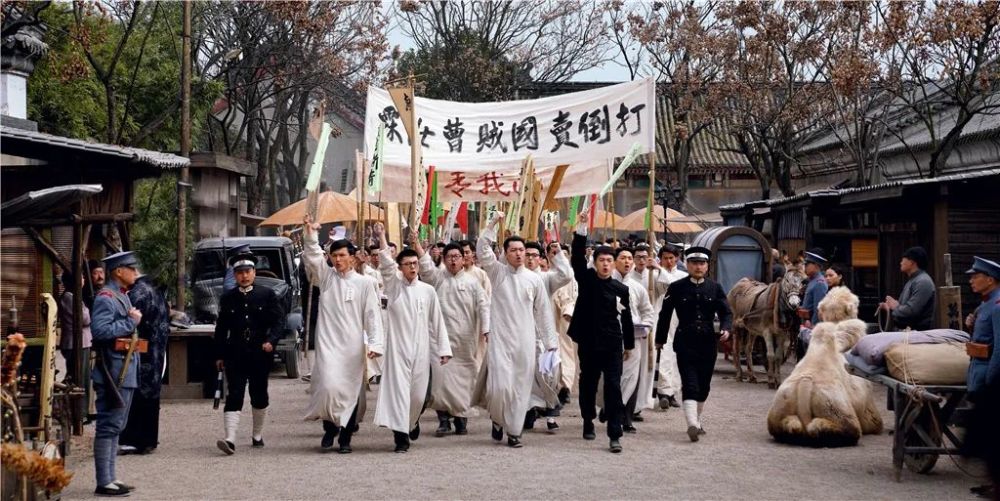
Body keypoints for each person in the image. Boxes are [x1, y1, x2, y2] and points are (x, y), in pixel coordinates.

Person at [474, 212, 557, 448]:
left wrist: (550, 342)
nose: (519, 254)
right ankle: (498, 419)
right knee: (500, 388)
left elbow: (543, 313)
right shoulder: (498, 273)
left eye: (522, 250)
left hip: (526, 341)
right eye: (514, 250)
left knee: (521, 389)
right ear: (505, 253)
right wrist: (492, 224)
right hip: (500, 341)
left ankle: (514, 432)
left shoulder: (534, 280)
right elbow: (482, 250)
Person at [301, 217, 384, 453]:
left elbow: (372, 316)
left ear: (352, 257)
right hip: (328, 345)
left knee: (351, 391)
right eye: (334, 256)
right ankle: (329, 428)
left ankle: (345, 437)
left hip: (353, 347)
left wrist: (376, 344)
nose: (337, 260)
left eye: (342, 256)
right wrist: (311, 235)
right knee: (328, 386)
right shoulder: (326, 279)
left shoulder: (365, 283)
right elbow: (313, 257)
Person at [371, 224, 452, 452]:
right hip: (397, 352)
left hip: (421, 350)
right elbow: (386, 264)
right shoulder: (394, 286)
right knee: (399, 394)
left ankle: (412, 421)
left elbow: (437, 321)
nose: (412, 267)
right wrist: (382, 237)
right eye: (407, 264)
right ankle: (401, 437)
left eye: (415, 263)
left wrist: (443, 349)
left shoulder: (428, 291)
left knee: (417, 396)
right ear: (400, 268)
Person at [568, 214, 634, 453]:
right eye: (602, 260)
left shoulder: (621, 289)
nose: (606, 264)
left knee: (614, 387)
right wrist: (582, 229)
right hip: (588, 341)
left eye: (609, 260)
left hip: (613, 344)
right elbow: (576, 258)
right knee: (588, 382)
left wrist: (629, 345)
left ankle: (614, 434)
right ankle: (588, 419)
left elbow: (626, 318)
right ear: (595, 262)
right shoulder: (586, 280)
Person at [656, 246, 732, 443]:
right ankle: (691, 424)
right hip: (685, 342)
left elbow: (726, 312)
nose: (698, 266)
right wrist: (660, 339)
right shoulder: (676, 287)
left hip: (708, 343)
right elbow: (664, 315)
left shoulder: (715, 288)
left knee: (704, 386)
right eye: (694, 263)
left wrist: (726, 328)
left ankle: (697, 419)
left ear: (707, 266)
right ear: (687, 264)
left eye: (702, 263)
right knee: (689, 383)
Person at [414, 238, 489, 437]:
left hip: (465, 341)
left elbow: (483, 306)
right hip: (440, 339)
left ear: (464, 259)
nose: (453, 261)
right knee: (440, 381)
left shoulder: (473, 282)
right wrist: (417, 245)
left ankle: (461, 419)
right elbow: (425, 265)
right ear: (444, 259)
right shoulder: (437, 278)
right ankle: (444, 420)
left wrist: (487, 329)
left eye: (457, 257)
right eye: (449, 257)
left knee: (465, 381)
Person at [213, 252, 284, 455]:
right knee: (234, 393)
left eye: (247, 271)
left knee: (259, 393)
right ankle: (230, 439)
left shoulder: (267, 294)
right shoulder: (228, 298)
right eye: (240, 273)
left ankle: (257, 434)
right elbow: (221, 328)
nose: (244, 276)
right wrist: (219, 354)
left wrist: (271, 341)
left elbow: (279, 321)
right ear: (235, 275)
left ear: (254, 272)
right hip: (235, 352)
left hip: (260, 352)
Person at [89, 252, 143, 497]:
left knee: (116, 426)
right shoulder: (106, 298)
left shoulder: (120, 296)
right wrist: (131, 323)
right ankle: (104, 481)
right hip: (113, 371)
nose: (136, 273)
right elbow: (100, 331)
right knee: (108, 426)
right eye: (131, 268)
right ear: (118, 271)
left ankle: (110, 477)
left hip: (123, 368)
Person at [523, 240, 573, 433]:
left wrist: (558, 253)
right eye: (527, 255)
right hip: (523, 335)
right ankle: (528, 412)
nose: (529, 259)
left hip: (545, 336)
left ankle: (551, 414)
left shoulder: (546, 278)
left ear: (541, 258)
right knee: (526, 376)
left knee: (549, 375)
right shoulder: (514, 278)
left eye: (534, 255)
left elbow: (566, 275)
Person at [119, 275, 169, 455]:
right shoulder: (156, 290)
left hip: (141, 350)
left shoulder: (139, 293)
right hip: (157, 349)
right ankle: (148, 439)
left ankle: (133, 439)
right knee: (151, 393)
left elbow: (130, 324)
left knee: (136, 393)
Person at [963, 256, 1000, 498]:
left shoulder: (997, 307)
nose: (971, 281)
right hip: (979, 372)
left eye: (975, 277)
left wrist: (992, 383)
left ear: (990, 279)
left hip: (990, 379)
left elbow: (999, 348)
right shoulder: (986, 304)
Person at [611, 247, 655, 434]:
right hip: (610, 338)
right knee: (612, 378)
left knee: (631, 378)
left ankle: (626, 417)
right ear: (614, 261)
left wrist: (645, 326)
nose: (627, 262)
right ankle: (610, 409)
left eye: (630, 258)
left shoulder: (638, 288)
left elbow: (647, 312)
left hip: (634, 339)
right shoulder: (606, 284)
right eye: (623, 258)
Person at [649, 245, 687, 410]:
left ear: (677, 258)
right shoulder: (654, 274)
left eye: (672, 258)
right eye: (665, 258)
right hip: (660, 314)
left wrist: (659, 269)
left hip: (678, 317)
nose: (669, 261)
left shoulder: (683, 276)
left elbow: (675, 286)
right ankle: (663, 392)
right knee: (663, 353)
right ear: (661, 258)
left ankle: (672, 392)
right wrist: (655, 270)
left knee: (676, 355)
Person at [58, 271, 92, 421]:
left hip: (82, 342)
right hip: (75, 343)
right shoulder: (68, 297)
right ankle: (77, 411)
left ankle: (81, 410)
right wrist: (90, 310)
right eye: (82, 277)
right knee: (79, 377)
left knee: (83, 377)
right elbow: (85, 318)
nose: (84, 279)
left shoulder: (74, 297)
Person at [881, 246, 936, 331]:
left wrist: (896, 307)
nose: (901, 263)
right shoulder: (914, 280)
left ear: (912, 262)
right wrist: (890, 306)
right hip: (907, 334)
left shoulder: (923, 282)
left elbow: (911, 311)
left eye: (903, 260)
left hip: (917, 335)